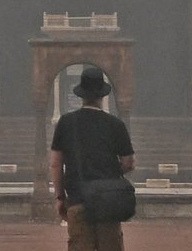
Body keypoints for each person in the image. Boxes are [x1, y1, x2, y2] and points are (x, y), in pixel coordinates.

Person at [50, 66, 136, 250]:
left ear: (81, 95)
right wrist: (110, 171)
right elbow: (128, 163)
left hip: (77, 199)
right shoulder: (115, 124)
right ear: (102, 96)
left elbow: (56, 164)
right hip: (108, 202)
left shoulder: (65, 123)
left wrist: (59, 197)